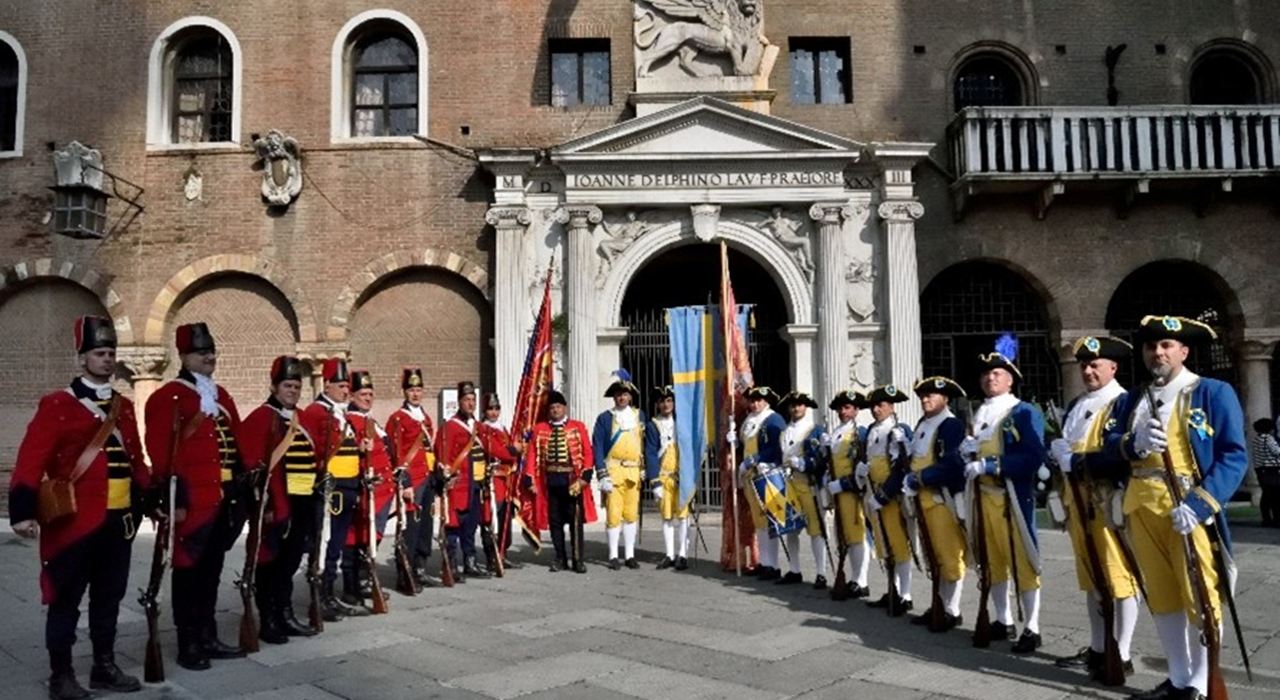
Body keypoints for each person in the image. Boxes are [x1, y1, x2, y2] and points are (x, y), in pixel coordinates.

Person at [1103, 316, 1248, 700]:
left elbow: (1234, 456)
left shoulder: (1212, 392)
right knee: (1162, 595)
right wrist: (1131, 444)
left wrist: (1201, 504)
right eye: (1152, 346)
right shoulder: (1133, 398)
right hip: (1140, 503)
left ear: (1183, 351)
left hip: (1186, 506)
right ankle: (1180, 677)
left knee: (1198, 593)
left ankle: (1201, 683)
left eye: (1166, 345)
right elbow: (1109, 446)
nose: (1158, 353)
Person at [9, 316, 151, 699]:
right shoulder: (58, 404)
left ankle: (104, 666)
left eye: (111, 354)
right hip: (73, 522)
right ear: (82, 358)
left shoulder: (123, 405)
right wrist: (22, 509)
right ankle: (61, 676)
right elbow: (30, 458)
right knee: (65, 599)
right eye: (99, 353)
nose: (107, 360)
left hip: (119, 521)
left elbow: (135, 459)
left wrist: (153, 500)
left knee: (109, 597)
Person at [145, 322, 248, 670]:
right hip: (191, 504)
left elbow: (236, 444)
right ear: (184, 356)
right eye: (201, 353)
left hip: (223, 501)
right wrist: (172, 500)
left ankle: (208, 634)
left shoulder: (222, 396)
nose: (209, 357)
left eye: (211, 352)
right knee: (188, 572)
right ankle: (188, 641)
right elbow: (160, 451)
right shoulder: (168, 396)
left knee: (212, 571)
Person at [1049, 337, 1140, 681]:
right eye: (1085, 365)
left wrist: (1076, 461)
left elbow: (1119, 456)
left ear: (1112, 368)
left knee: (1120, 579)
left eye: (1095, 364)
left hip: (1107, 502)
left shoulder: (1123, 403)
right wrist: (1057, 454)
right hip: (1078, 501)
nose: (1088, 370)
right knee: (1092, 580)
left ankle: (1123, 652)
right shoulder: (1076, 404)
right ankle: (1099, 647)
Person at [962, 337, 1047, 654]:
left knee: (1024, 561)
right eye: (986, 374)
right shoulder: (979, 413)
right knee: (992, 562)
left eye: (997, 373)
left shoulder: (1023, 411)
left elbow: (1033, 457)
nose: (990, 377)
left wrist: (990, 464)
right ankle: (1003, 619)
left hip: (1012, 496)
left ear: (1010, 378)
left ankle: (1033, 627)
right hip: (982, 498)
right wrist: (966, 455)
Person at [236, 355, 321, 644]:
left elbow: (314, 456)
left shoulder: (302, 418)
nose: (293, 391)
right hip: (275, 503)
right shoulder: (261, 417)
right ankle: (268, 618)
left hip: (303, 500)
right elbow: (250, 465)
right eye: (287, 385)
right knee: (269, 562)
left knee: (290, 561)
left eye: (297, 386)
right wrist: (266, 504)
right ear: (274, 387)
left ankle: (284, 614)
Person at [300, 357, 366, 621]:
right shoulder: (316, 412)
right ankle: (319, 596)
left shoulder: (342, 413)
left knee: (336, 544)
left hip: (347, 486)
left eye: (346, 385)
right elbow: (310, 450)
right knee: (325, 544)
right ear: (326, 385)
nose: (345, 390)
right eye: (339, 385)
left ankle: (328, 593)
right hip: (330, 489)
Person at [903, 376, 969, 631]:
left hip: (941, 498)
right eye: (923, 396)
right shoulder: (923, 423)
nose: (925, 399)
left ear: (945, 398)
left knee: (948, 554)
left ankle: (951, 609)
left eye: (931, 395)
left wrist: (921, 478)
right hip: (921, 498)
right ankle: (938, 603)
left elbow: (952, 464)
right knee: (932, 555)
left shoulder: (950, 425)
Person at [525, 390, 597, 572]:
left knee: (575, 522)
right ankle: (560, 558)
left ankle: (578, 559)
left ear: (564, 408)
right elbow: (532, 454)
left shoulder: (578, 427)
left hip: (572, 480)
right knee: (555, 522)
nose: (555, 410)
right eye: (552, 407)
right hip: (550, 481)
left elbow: (588, 452)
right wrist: (530, 479)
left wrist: (585, 477)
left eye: (558, 406)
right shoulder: (539, 429)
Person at [862, 384, 915, 615]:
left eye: (881, 405)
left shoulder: (898, 429)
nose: (876, 409)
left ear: (891, 407)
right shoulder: (872, 429)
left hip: (890, 497)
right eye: (873, 405)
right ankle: (891, 588)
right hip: (873, 494)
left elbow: (901, 468)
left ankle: (905, 594)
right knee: (884, 544)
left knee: (899, 544)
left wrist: (884, 496)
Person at [343, 370, 395, 604]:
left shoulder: (371, 420)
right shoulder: (349, 421)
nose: (367, 398)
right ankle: (354, 584)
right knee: (358, 538)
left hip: (383, 492)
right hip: (367, 491)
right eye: (362, 393)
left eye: (370, 393)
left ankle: (361, 581)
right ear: (352, 395)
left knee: (371, 537)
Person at [385, 367, 438, 584]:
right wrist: (404, 481)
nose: (415, 393)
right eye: (411, 390)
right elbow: (395, 452)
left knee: (426, 525)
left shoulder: (425, 418)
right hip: (411, 480)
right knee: (410, 527)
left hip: (427, 477)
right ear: (405, 392)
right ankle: (404, 571)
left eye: (418, 389)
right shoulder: (397, 418)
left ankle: (420, 567)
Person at [593, 370, 647, 570]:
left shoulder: (639, 415)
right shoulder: (605, 418)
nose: (621, 397)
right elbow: (597, 446)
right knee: (614, 514)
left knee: (631, 514)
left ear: (630, 395)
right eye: (618, 394)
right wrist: (601, 473)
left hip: (633, 471)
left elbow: (644, 443)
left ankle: (630, 554)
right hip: (613, 471)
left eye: (624, 393)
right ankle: (613, 555)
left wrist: (644, 468)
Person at [435, 381, 489, 581]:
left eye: (473, 400)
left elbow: (491, 448)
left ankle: (470, 561)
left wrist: (513, 452)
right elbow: (443, 454)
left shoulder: (478, 426)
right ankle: (450, 565)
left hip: (476, 484)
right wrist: (446, 475)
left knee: (471, 525)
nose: (471, 403)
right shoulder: (450, 427)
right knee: (454, 526)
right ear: (459, 402)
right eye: (467, 400)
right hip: (458, 485)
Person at [776, 391, 829, 588]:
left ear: (805, 407)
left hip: (808, 483)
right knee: (791, 529)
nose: (796, 408)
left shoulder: (815, 430)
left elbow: (822, 459)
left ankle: (821, 573)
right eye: (792, 405)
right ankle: (794, 569)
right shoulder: (785, 431)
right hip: (788, 483)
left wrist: (804, 463)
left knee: (816, 530)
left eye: (799, 405)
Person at [822, 389, 872, 600]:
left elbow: (861, 466)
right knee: (844, 537)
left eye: (848, 407)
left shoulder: (859, 432)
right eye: (841, 408)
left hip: (852, 491)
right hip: (837, 491)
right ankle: (852, 578)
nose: (844, 411)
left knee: (858, 535)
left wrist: (843, 484)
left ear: (856, 410)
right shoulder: (836, 433)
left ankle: (861, 580)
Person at [737, 386, 787, 580]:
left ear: (767, 401)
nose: (755, 403)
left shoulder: (774, 419)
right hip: (751, 475)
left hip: (767, 474)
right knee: (759, 521)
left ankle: (773, 565)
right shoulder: (749, 420)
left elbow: (777, 448)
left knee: (770, 520)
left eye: (759, 400)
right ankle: (765, 562)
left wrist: (755, 459)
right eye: (752, 400)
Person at [476, 392, 524, 570]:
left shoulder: (503, 428)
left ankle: (502, 553)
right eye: (490, 409)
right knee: (491, 519)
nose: (494, 413)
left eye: (496, 409)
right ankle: (491, 557)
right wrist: (514, 450)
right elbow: (498, 451)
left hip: (506, 480)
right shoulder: (483, 429)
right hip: (492, 481)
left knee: (505, 519)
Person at [647, 386, 692, 570]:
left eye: (669, 401)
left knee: (683, 517)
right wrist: (654, 481)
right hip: (664, 477)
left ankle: (683, 554)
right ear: (657, 404)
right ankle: (669, 554)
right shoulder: (652, 425)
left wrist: (689, 474)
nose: (666, 404)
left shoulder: (682, 422)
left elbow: (690, 449)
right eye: (662, 401)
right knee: (666, 517)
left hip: (682, 476)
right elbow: (650, 453)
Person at [1251, 417, 1280, 527]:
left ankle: (1266, 519)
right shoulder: (1268, 439)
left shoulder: (1256, 439)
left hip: (1260, 469)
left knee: (1267, 496)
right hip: (1271, 469)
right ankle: (1276, 519)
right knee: (1275, 496)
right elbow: (1277, 452)